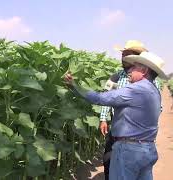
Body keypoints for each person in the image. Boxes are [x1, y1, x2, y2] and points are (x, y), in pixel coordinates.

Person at [64, 51, 167, 180]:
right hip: (148, 149)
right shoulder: (154, 91)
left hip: (129, 151)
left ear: (144, 70)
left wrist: (74, 86)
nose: (130, 70)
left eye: (134, 67)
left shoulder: (135, 89)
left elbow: (100, 98)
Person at [99, 40, 161, 180]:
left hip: (137, 135)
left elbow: (157, 107)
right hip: (117, 129)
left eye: (128, 55)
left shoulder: (151, 81)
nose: (124, 58)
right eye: (123, 55)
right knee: (108, 160)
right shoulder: (115, 77)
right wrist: (103, 118)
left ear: (137, 57)